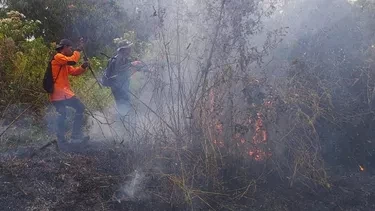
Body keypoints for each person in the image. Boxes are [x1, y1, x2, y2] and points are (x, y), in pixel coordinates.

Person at [50, 39, 90, 146]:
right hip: (60, 93)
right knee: (80, 108)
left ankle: (62, 140)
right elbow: (73, 61)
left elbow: (73, 72)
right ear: (65, 47)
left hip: (59, 94)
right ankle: (75, 136)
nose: (72, 50)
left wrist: (83, 67)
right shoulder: (59, 57)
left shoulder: (63, 61)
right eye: (71, 48)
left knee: (62, 113)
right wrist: (78, 50)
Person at [103, 40, 142, 117]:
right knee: (123, 107)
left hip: (123, 86)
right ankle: (121, 124)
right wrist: (131, 64)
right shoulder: (116, 59)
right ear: (123, 50)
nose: (130, 50)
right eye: (128, 48)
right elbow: (118, 70)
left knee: (126, 106)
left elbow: (126, 71)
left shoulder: (125, 59)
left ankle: (124, 122)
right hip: (117, 87)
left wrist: (141, 68)